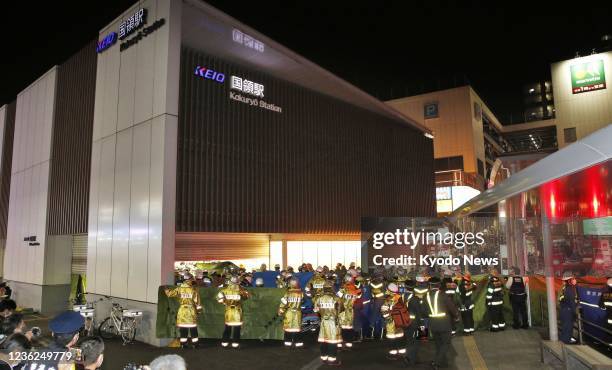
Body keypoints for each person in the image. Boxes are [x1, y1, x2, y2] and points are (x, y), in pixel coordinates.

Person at [425, 277, 459, 369]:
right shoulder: (442, 295)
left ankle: (442, 363)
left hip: (432, 324)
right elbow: (451, 307)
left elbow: (424, 311)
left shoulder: (426, 296)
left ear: (430, 285)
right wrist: (456, 316)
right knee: (446, 343)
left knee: (438, 344)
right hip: (444, 323)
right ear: (439, 285)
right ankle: (436, 362)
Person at [164, 275, 203, 348]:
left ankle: (183, 344)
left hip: (182, 311)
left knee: (183, 329)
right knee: (193, 328)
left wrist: (166, 289)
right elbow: (198, 303)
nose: (192, 280)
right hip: (191, 311)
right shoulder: (193, 290)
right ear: (189, 280)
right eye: (191, 279)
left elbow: (169, 294)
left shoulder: (179, 289)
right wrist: (198, 312)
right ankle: (195, 345)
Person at [313, 280, 342, 366]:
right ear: (332, 288)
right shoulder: (336, 299)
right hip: (333, 322)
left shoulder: (319, 299)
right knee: (332, 341)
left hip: (323, 322)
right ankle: (332, 360)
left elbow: (316, 311)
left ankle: (324, 358)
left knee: (323, 340)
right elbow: (340, 311)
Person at [217, 275, 250, 348]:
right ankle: (235, 344)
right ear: (237, 282)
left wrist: (225, 303)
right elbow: (247, 297)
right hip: (237, 311)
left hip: (228, 310)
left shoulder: (224, 291)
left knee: (227, 327)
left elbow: (219, 299)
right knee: (236, 328)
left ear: (230, 282)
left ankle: (224, 343)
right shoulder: (241, 290)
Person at [380, 283, 406, 360]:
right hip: (400, 322)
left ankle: (393, 355)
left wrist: (388, 320)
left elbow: (384, 312)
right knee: (400, 338)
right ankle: (402, 354)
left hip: (391, 323)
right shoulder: (400, 298)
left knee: (392, 339)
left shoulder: (388, 300)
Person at [278, 278, 304, 348]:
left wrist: (280, 311)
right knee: (297, 329)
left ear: (290, 284)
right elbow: (303, 301)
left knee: (288, 329)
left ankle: (288, 344)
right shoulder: (301, 293)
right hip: (298, 313)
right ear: (297, 284)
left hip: (289, 313)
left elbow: (283, 303)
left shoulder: (287, 293)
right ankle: (298, 344)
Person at [337, 274, 361, 349]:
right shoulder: (355, 288)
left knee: (342, 328)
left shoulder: (343, 288)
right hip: (351, 311)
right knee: (349, 327)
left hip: (342, 311)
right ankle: (349, 344)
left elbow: (337, 297)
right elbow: (359, 296)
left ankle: (341, 344)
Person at [558, 271, 578, 344]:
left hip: (564, 310)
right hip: (568, 311)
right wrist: (574, 312)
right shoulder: (569, 289)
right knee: (567, 328)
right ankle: (565, 343)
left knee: (565, 328)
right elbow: (571, 301)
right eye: (573, 278)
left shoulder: (564, 288)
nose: (575, 280)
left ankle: (566, 340)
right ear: (569, 280)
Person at [441, 270, 458, 335]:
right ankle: (453, 331)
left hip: (444, 304)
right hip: (452, 304)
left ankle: (422, 337)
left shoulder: (442, 284)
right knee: (452, 318)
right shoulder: (454, 284)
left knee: (445, 318)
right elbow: (457, 295)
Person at [599, 277, 612, 344]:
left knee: (608, 332)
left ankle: (608, 345)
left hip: (608, 317)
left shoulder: (605, 294)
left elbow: (601, 306)